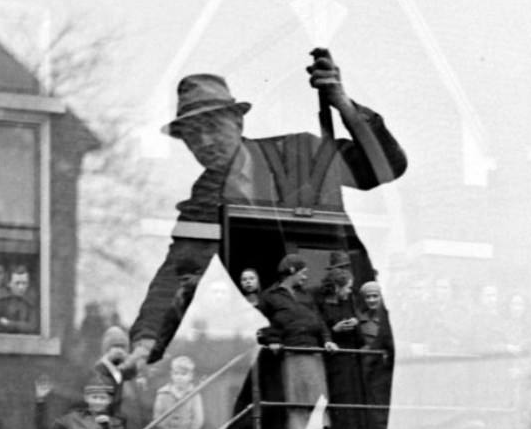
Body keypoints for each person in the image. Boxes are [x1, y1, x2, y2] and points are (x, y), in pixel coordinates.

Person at [127, 51, 406, 370]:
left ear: (238, 121)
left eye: (212, 127)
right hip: (294, 343)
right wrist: (145, 343)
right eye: (192, 135)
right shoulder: (204, 203)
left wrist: (342, 103)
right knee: (258, 420)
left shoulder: (301, 153)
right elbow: (179, 273)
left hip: (357, 337)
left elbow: (386, 167)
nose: (204, 142)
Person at [257, 254, 338, 429]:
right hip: (291, 357)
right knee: (296, 404)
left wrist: (327, 339)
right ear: (291, 271)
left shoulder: (307, 296)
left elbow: (319, 321)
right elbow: (260, 323)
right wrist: (272, 339)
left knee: (317, 404)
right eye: (303, 273)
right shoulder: (270, 296)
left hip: (314, 355)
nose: (306, 277)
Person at [315, 252, 370, 429]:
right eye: (346, 287)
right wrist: (334, 331)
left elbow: (360, 338)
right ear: (337, 287)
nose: (349, 291)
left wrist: (355, 325)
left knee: (352, 411)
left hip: (351, 362)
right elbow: (318, 329)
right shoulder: (322, 303)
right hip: (334, 362)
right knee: (337, 409)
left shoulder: (349, 303)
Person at [357, 279, 394, 429]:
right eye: (368, 297)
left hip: (387, 373)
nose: (372, 300)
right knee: (375, 422)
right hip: (371, 375)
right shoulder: (359, 319)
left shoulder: (389, 318)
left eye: (375, 296)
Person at [0, 263, 39, 333]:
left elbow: (32, 326)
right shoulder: (0, 299)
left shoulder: (30, 301)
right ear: (9, 283)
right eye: (17, 283)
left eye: (24, 283)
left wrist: (10, 324)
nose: (21, 287)